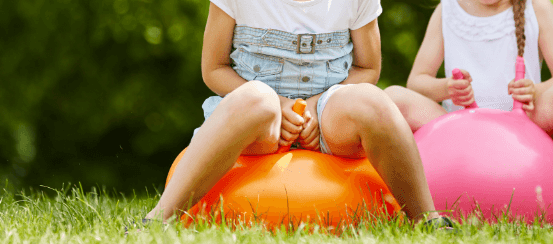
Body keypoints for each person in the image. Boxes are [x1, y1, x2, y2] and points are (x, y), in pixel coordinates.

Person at [144, 0, 451, 227]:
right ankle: (158, 219)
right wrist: (279, 103)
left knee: (375, 101)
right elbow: (214, 69)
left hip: (328, 111)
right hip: (259, 120)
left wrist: (317, 106)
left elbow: (368, 68)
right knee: (256, 97)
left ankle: (427, 218)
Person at [384, 0, 553, 219]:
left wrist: (535, 90)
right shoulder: (447, 10)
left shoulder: (537, 7)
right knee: (393, 99)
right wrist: (447, 88)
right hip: (460, 123)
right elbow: (416, 81)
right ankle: (400, 204)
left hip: (524, 125)